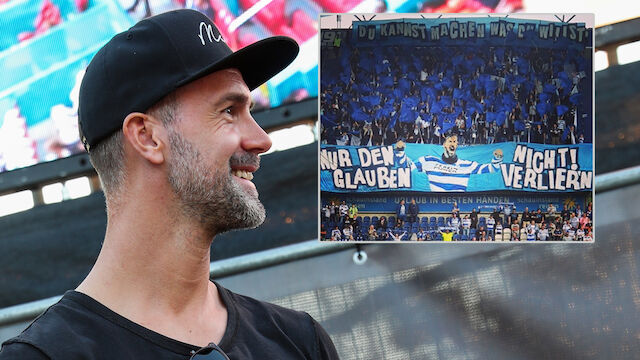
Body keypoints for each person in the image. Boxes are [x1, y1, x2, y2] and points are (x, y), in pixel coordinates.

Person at [0, 10, 337, 359]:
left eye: (249, 110)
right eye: (228, 111)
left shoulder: (298, 342)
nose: (261, 139)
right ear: (146, 137)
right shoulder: (45, 356)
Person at [413, 132, 503, 192]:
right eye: (450, 141)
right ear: (444, 144)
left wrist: (497, 158)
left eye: (454, 142)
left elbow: (492, 169)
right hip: (436, 198)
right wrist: (400, 151)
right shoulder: (428, 160)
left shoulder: (467, 165)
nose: (452, 144)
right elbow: (408, 168)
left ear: (457, 145)